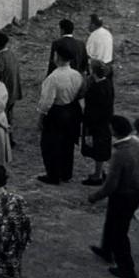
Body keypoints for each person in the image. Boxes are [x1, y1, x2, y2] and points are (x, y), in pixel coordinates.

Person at [89, 115, 139, 278]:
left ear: (114, 131)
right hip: (133, 193)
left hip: (123, 196)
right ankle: (106, 250)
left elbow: (111, 185)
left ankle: (127, 269)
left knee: (119, 232)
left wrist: (94, 197)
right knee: (112, 223)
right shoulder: (136, 145)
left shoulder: (120, 153)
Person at [37, 42, 85, 184]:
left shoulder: (53, 77)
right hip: (71, 110)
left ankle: (53, 175)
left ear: (57, 57)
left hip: (56, 112)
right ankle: (66, 173)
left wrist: (40, 117)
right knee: (67, 144)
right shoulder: (76, 75)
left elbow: (46, 102)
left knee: (50, 144)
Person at [81, 60, 114, 185]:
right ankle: (100, 171)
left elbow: (91, 108)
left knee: (98, 149)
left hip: (96, 123)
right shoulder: (107, 83)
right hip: (105, 121)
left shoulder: (95, 88)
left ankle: (97, 176)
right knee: (102, 148)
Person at [86, 13, 114, 79]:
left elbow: (88, 54)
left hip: (98, 69)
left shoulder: (93, 36)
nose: (88, 26)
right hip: (109, 66)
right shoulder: (108, 33)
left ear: (93, 25)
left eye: (89, 24)